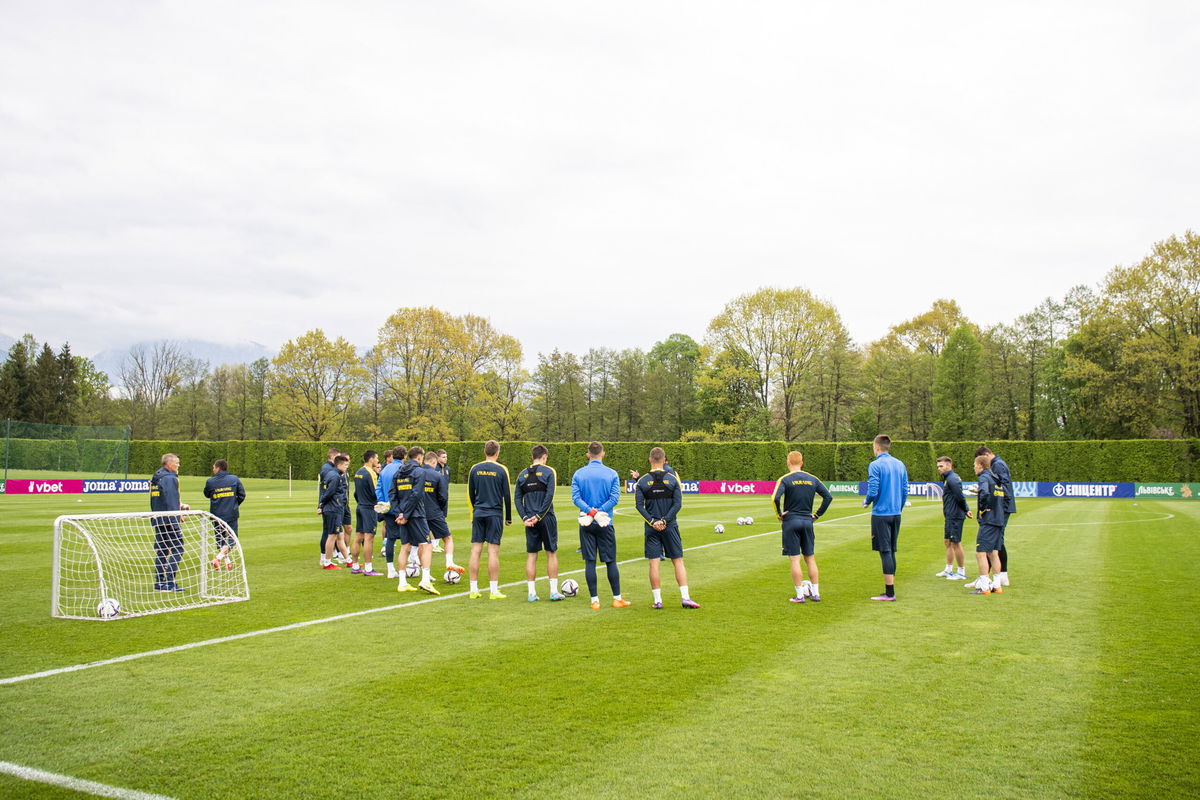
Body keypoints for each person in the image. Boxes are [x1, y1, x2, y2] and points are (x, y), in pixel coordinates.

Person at [635, 447, 698, 609]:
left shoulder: (642, 481)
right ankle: (685, 598)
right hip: (670, 526)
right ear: (664, 460)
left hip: (651, 528)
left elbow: (639, 506)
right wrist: (665, 520)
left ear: (650, 460)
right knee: (678, 561)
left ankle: (658, 601)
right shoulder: (672, 479)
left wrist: (653, 521)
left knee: (654, 563)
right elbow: (678, 504)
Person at [571, 442, 628, 610]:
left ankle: (594, 600)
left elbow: (576, 498)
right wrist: (599, 512)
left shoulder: (579, 474)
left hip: (586, 522)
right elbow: (614, 498)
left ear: (588, 454)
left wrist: (590, 512)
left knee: (590, 561)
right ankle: (617, 598)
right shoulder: (611, 473)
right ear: (602, 453)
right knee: (610, 561)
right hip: (605, 522)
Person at [772, 450, 832, 604]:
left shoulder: (785, 479)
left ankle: (799, 596)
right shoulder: (812, 479)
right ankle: (816, 593)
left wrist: (779, 514)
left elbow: (775, 498)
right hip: (807, 521)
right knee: (810, 558)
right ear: (802, 462)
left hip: (791, 521)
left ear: (788, 462)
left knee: (794, 559)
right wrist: (816, 515)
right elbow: (828, 497)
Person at [863, 434, 909, 601]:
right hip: (896, 513)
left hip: (881, 514)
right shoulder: (900, 464)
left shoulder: (875, 465)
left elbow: (873, 489)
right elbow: (905, 490)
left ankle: (889, 593)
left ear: (876, 447)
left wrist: (867, 501)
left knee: (885, 551)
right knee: (892, 549)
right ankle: (890, 588)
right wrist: (900, 506)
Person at [514, 444, 563, 602]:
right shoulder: (549, 471)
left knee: (532, 555)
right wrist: (540, 515)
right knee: (551, 553)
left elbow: (517, 498)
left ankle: (531, 593)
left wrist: (525, 517)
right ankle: (554, 591)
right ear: (544, 457)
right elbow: (549, 496)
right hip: (545, 517)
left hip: (529, 519)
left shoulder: (522, 475)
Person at [389, 445, 438, 595]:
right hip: (415, 514)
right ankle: (425, 580)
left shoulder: (398, 472)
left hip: (403, 514)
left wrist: (399, 513)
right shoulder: (419, 471)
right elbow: (416, 494)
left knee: (405, 546)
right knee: (427, 545)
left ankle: (402, 582)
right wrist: (406, 514)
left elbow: (392, 494)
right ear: (419, 457)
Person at [466, 440, 512, 600]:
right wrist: (508, 517)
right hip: (494, 513)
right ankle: (493, 590)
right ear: (497, 452)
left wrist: (475, 509)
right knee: (492, 551)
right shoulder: (501, 469)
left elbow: (471, 493)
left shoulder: (475, 468)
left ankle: (473, 589)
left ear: (485, 451)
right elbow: (507, 495)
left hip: (479, 512)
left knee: (475, 550)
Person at [975, 446, 1015, 587]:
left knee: (990, 545)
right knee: (995, 545)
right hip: (999, 509)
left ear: (985, 456)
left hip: (997, 510)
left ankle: (990, 578)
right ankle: (997, 578)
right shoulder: (998, 465)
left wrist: (985, 508)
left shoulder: (996, 465)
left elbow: (1002, 487)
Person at [150, 452, 189, 592]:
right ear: (169, 463)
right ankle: (171, 582)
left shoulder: (156, 477)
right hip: (170, 519)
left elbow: (162, 498)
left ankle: (160, 582)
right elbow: (171, 499)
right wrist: (179, 515)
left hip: (158, 518)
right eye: (177, 463)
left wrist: (181, 505)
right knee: (178, 548)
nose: (178, 465)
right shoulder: (170, 478)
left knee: (162, 550)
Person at [968, 455, 1008, 595]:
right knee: (994, 553)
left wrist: (983, 509)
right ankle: (996, 585)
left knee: (981, 553)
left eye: (974, 465)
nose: (974, 468)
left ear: (980, 465)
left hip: (989, 520)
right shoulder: (996, 478)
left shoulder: (984, 477)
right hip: (999, 519)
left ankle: (984, 587)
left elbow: (984, 493)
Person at [422, 450, 465, 577]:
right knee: (447, 538)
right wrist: (440, 509)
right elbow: (443, 497)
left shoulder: (416, 474)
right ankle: (449, 562)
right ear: (434, 462)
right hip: (434, 512)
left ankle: (425, 573)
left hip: (419, 512)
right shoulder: (437, 475)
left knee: (423, 543)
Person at [203, 459, 245, 570]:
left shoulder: (210, 481)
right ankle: (220, 559)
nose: (212, 469)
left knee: (220, 539)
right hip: (231, 513)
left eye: (213, 467)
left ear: (218, 468)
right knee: (232, 538)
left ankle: (224, 561)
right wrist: (234, 504)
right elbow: (242, 495)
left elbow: (207, 494)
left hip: (216, 514)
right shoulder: (234, 479)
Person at [935, 456, 971, 581]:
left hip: (955, 515)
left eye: (941, 466)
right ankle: (948, 569)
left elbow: (960, 496)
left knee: (956, 542)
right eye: (938, 466)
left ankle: (961, 572)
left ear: (949, 466)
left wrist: (966, 509)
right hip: (950, 515)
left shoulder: (953, 479)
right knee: (947, 542)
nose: (939, 469)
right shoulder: (948, 478)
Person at [350, 450, 384, 576]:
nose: (377, 460)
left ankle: (355, 566)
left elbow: (355, 493)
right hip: (369, 508)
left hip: (360, 506)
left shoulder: (358, 471)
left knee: (358, 537)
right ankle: (368, 569)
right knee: (369, 538)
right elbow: (376, 492)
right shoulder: (371, 473)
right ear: (371, 459)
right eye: (376, 458)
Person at [319, 454, 351, 569]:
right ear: (340, 465)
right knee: (332, 535)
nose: (347, 467)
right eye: (346, 465)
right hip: (333, 508)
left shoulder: (333, 474)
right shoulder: (335, 476)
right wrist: (322, 504)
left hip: (334, 508)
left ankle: (347, 559)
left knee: (338, 534)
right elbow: (329, 492)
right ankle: (327, 562)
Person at [377, 446, 404, 578]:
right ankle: (407, 568)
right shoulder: (402, 468)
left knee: (390, 538)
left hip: (387, 508)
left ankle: (390, 569)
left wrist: (383, 502)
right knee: (407, 539)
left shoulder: (385, 468)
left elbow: (378, 488)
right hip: (399, 508)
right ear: (404, 456)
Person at [318, 447, 339, 562]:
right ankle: (324, 556)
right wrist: (320, 505)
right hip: (329, 505)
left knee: (332, 532)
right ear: (332, 457)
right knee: (328, 531)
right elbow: (326, 489)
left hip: (329, 504)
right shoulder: (327, 470)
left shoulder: (330, 468)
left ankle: (332, 553)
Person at [337, 452, 353, 563]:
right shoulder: (338, 474)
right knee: (338, 531)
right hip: (339, 505)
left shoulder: (346, 473)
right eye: (345, 460)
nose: (347, 463)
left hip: (346, 504)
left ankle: (346, 551)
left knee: (349, 528)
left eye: (348, 460)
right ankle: (339, 554)